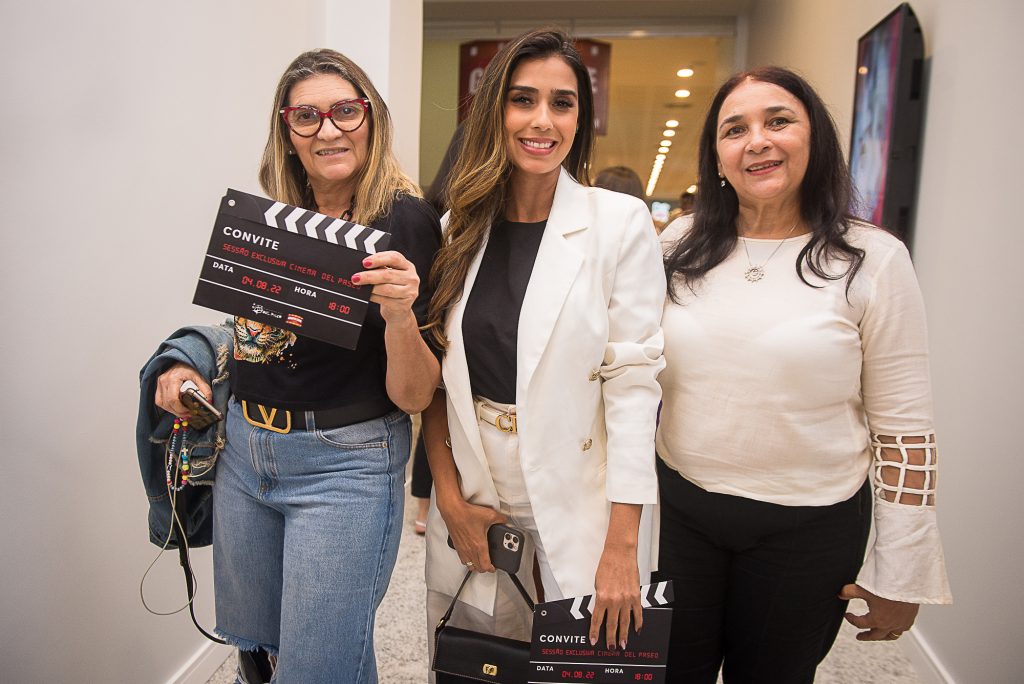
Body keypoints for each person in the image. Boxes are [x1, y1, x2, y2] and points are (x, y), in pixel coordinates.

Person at [152, 49, 441, 683]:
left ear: (372, 118)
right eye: (306, 116)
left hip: (346, 461)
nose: (328, 130)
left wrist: (399, 316)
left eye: (345, 111)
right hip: (245, 453)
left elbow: (416, 396)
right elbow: (253, 338)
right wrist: (195, 365)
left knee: (317, 668)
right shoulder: (273, 217)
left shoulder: (405, 222)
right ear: (286, 130)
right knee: (262, 652)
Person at [656, 66, 951, 683]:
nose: (757, 140)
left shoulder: (873, 259)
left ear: (815, 140)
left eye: (779, 121)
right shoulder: (679, 244)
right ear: (717, 157)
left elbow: (905, 428)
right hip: (677, 511)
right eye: (735, 129)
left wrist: (902, 571)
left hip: (809, 528)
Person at [420, 28, 666, 654]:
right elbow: (437, 383)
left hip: (581, 493)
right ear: (495, 110)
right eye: (523, 99)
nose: (542, 121)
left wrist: (621, 548)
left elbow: (635, 391)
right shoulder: (456, 226)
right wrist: (446, 498)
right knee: (478, 659)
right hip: (477, 492)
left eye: (562, 103)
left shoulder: (618, 223)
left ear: (581, 120)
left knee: (580, 663)